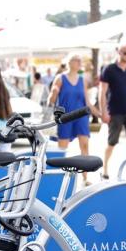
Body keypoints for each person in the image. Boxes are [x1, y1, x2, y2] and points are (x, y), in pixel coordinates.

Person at [48, 54, 98, 185]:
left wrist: (99, 114)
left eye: (80, 60)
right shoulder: (60, 78)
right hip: (65, 117)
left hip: (81, 116)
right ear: (69, 62)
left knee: (85, 145)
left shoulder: (83, 80)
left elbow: (87, 101)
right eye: (77, 60)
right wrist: (53, 93)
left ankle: (86, 177)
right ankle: (58, 176)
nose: (79, 62)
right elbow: (51, 100)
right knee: (62, 148)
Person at [100, 44, 126, 178]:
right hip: (115, 111)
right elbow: (102, 92)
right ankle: (105, 169)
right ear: (119, 52)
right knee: (112, 142)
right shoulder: (109, 69)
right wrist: (103, 112)